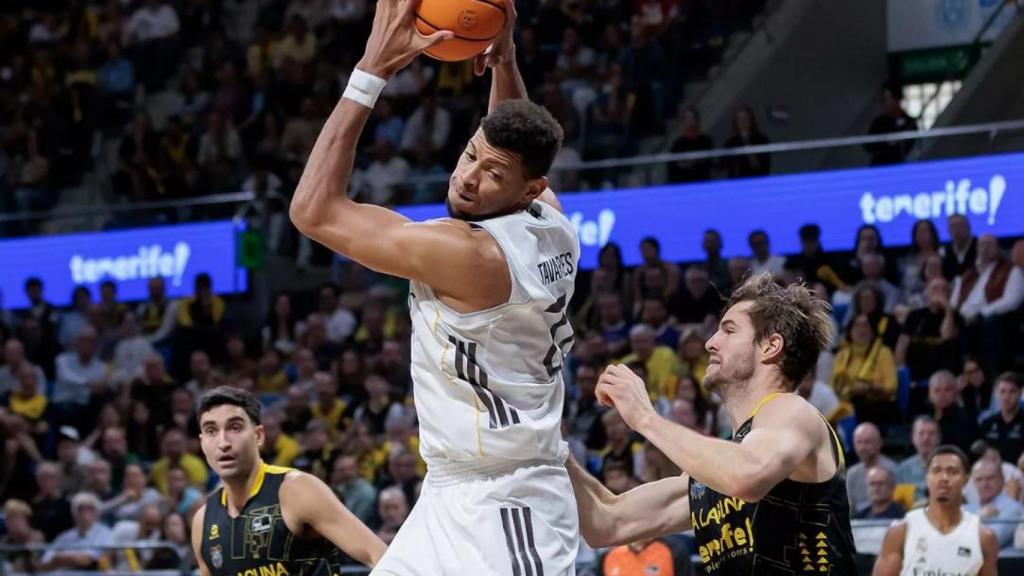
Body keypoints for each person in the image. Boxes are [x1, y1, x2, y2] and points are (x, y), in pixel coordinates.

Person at [288, 2, 580, 573]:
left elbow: (312, 210)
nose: (467, 179)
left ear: (528, 188)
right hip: (450, 491)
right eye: (470, 155)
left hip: (508, 505)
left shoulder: (468, 254)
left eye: (490, 174)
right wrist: (504, 59)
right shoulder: (551, 223)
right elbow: (507, 134)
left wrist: (370, 69)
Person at [568, 273, 856, 574]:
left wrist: (645, 418)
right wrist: (550, 442)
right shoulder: (714, 470)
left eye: (729, 331)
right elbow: (606, 523)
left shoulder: (793, 411)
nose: (710, 343)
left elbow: (746, 474)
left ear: (771, 346)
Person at [190, 387, 384, 575]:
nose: (223, 443)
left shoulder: (296, 490)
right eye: (211, 431)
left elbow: (379, 556)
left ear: (258, 436)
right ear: (202, 443)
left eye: (235, 427)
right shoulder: (203, 521)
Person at [872, 445, 998, 575]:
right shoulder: (900, 532)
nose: (943, 477)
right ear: (927, 478)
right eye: (936, 470)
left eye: (952, 471)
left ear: (965, 480)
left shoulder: (984, 537)